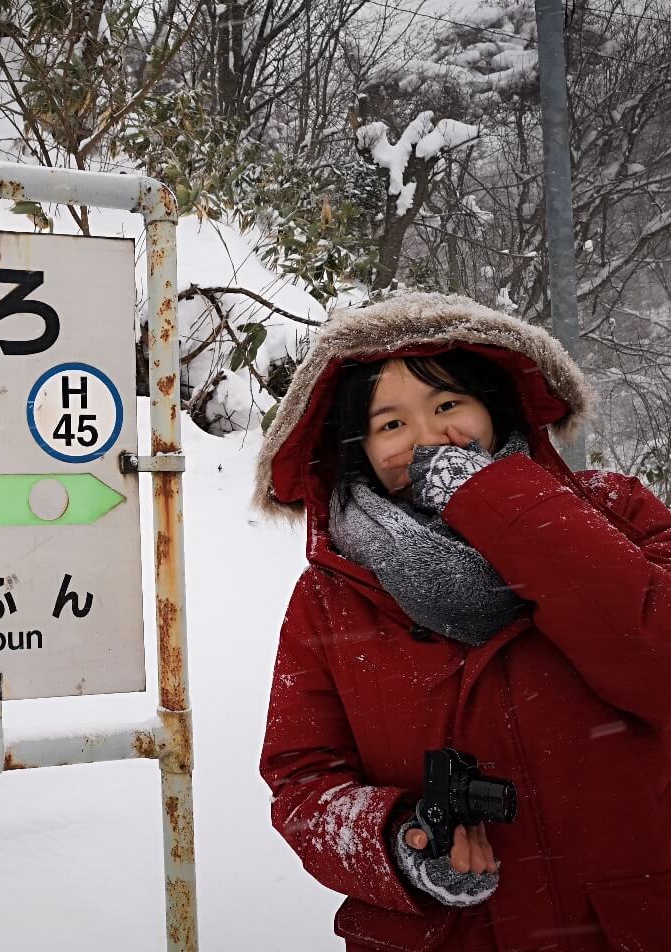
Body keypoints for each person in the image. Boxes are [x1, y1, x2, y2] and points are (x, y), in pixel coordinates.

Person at [253, 293, 671, 951]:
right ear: (357, 449)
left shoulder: (615, 513)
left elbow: (657, 665)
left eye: (447, 406)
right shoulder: (330, 596)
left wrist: (494, 500)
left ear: (491, 407)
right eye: (389, 424)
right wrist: (398, 845)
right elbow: (302, 781)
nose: (425, 438)